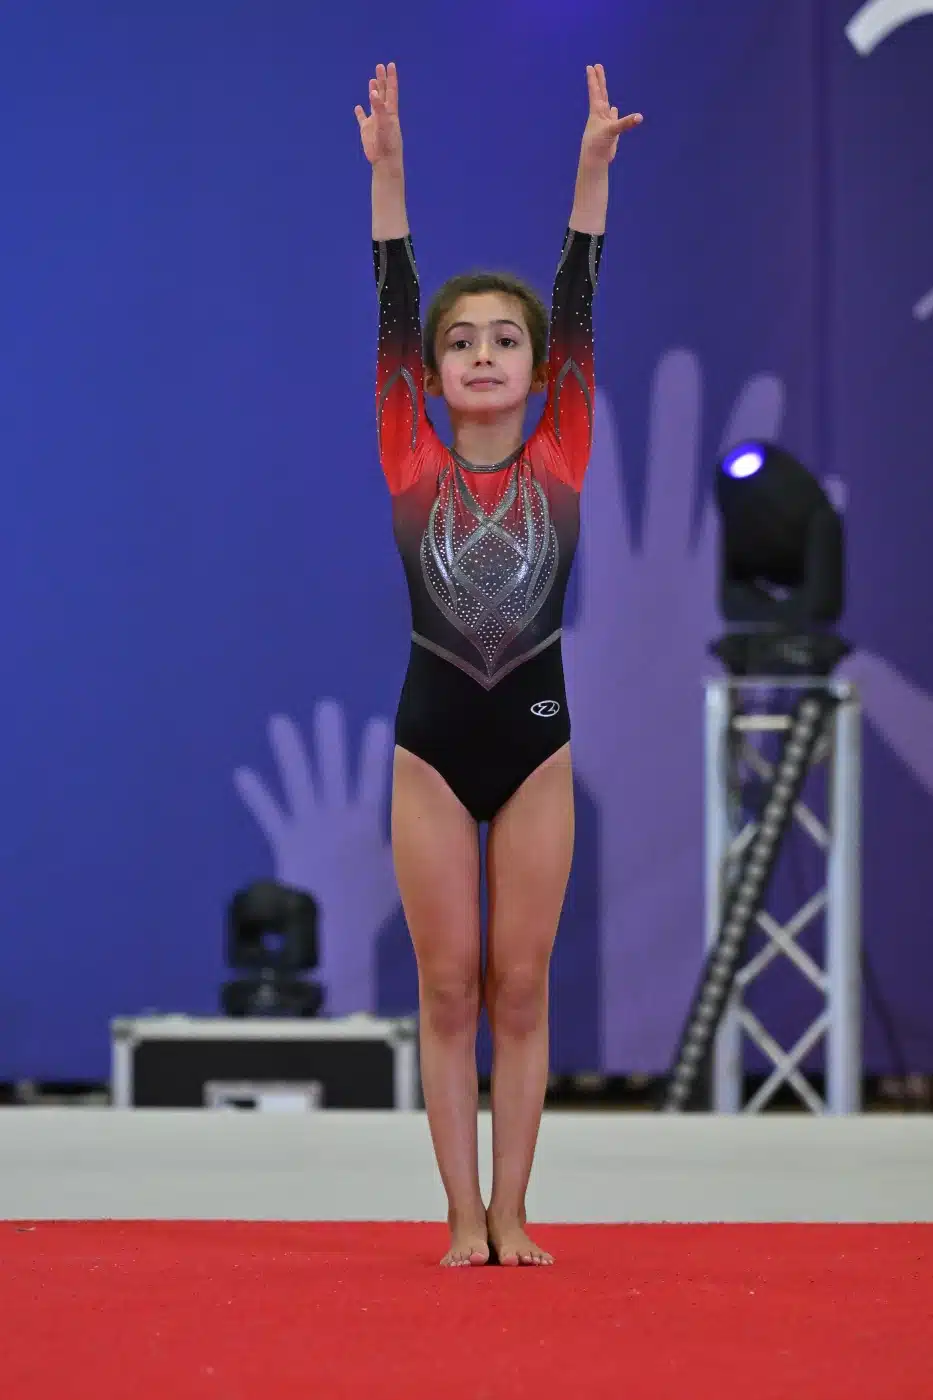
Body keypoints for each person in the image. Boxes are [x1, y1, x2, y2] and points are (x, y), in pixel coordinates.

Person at [355, 61, 641, 1267]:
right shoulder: (409, 457)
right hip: (430, 744)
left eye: (506, 339)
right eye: (461, 342)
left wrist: (589, 173)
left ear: (538, 369)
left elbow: (581, 299)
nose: (483, 353)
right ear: (428, 378)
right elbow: (391, 300)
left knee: (520, 986)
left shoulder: (563, 450)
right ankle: (459, 1214)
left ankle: (514, 1209)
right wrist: (389, 179)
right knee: (447, 986)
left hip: (535, 746)